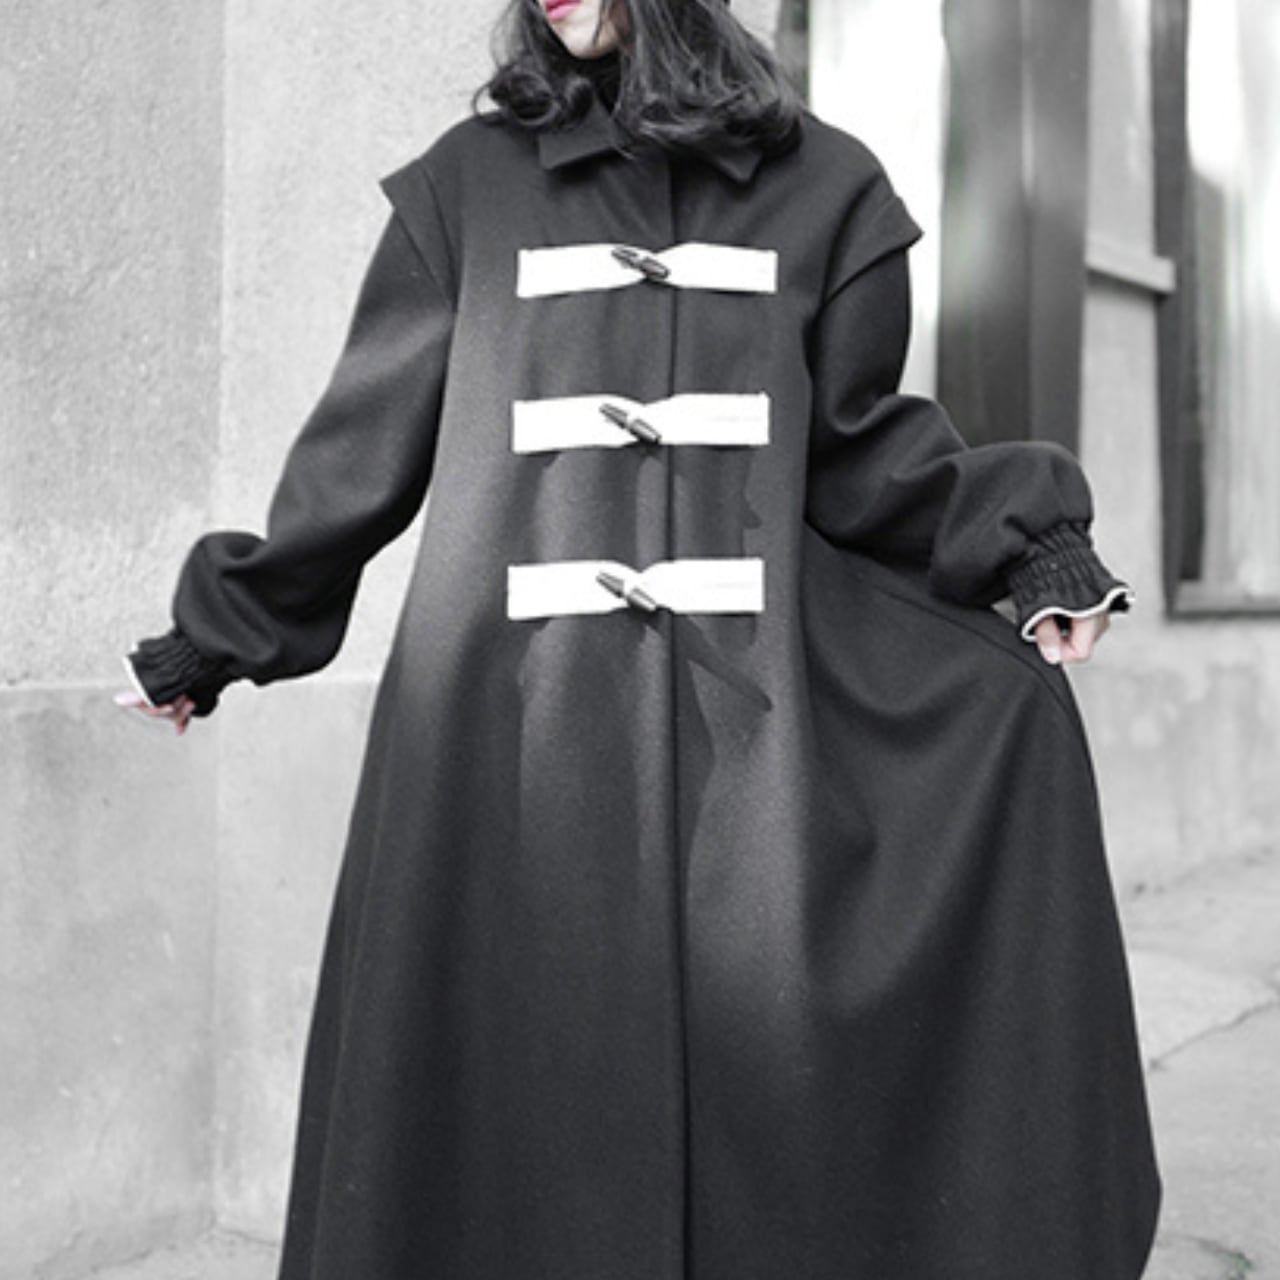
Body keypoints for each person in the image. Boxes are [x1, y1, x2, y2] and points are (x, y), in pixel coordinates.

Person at [116, 0, 1161, 1275]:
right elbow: (356, 460)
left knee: (767, 1115)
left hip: (752, 749)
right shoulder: (466, 188)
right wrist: (220, 634)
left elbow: (860, 454)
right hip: (505, 740)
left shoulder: (828, 191)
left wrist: (1028, 545)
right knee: (508, 1128)